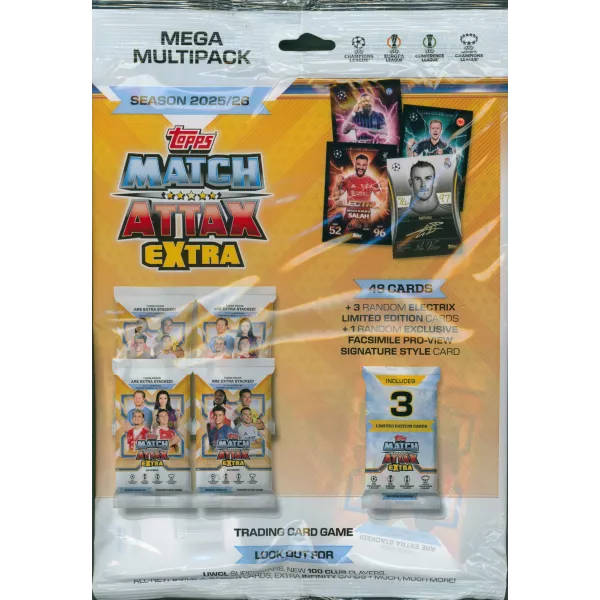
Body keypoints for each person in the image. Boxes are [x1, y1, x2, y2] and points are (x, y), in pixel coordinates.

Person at [330, 154, 387, 233]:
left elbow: (382, 199)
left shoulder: (372, 181)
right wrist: (337, 184)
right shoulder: (348, 180)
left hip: (366, 219)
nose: (361, 167)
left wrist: (384, 189)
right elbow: (336, 197)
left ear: (366, 166)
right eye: (358, 164)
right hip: (348, 218)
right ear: (355, 164)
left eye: (364, 165)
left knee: (369, 238)